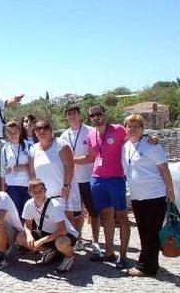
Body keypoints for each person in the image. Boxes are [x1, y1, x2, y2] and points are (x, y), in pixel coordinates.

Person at [75, 105, 136, 268]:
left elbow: (135, 139)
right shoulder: (90, 134)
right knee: (106, 217)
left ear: (104, 114)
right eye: (92, 115)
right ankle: (109, 253)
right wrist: (70, 160)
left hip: (116, 179)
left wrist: (151, 140)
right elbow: (90, 157)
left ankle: (122, 256)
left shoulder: (118, 129)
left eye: (98, 114)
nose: (96, 117)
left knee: (122, 217)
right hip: (97, 179)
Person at [123, 115, 176, 277]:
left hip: (155, 195)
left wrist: (170, 190)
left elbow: (164, 168)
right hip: (138, 197)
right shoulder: (126, 146)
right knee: (144, 231)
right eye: (129, 126)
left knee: (151, 232)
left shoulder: (151, 145)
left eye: (137, 126)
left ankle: (146, 267)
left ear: (142, 128)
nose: (132, 129)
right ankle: (149, 264)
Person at [60, 105, 100, 253]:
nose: (71, 116)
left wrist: (70, 161)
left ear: (79, 115)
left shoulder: (90, 131)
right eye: (69, 113)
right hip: (73, 181)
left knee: (93, 212)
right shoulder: (64, 136)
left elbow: (91, 157)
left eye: (74, 113)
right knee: (77, 212)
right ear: (66, 117)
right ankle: (79, 239)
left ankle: (95, 242)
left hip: (89, 178)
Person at [17, 179, 79, 273]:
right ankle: (49, 251)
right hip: (47, 232)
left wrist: (41, 241)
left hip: (65, 234)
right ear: (29, 193)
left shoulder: (54, 205)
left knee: (61, 243)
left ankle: (69, 257)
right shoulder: (29, 204)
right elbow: (27, 224)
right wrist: (29, 236)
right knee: (20, 237)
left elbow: (62, 230)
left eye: (40, 191)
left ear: (45, 191)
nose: (38, 194)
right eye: (35, 192)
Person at [30, 120, 80, 225]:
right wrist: (34, 190)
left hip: (62, 192)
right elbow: (32, 172)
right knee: (50, 223)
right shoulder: (33, 149)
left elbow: (70, 167)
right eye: (38, 129)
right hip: (43, 194)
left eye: (45, 128)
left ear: (51, 130)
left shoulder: (61, 144)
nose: (42, 131)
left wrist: (66, 187)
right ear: (35, 132)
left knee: (67, 221)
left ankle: (73, 241)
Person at [0, 120, 32, 218]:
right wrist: (2, 190)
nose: (13, 135)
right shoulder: (5, 148)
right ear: (6, 133)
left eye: (15, 132)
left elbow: (34, 165)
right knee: (16, 215)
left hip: (27, 185)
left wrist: (24, 167)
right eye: (10, 132)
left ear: (19, 131)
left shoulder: (28, 145)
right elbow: (2, 171)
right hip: (12, 186)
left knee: (28, 215)